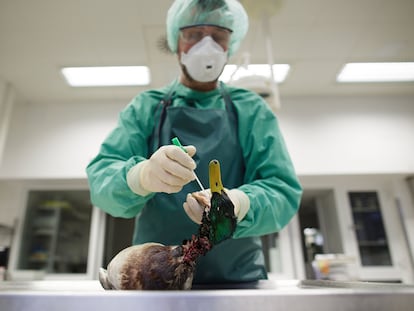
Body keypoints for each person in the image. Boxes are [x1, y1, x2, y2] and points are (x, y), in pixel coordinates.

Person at [86, 0, 302, 285]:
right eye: (194, 34)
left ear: (230, 44)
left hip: (237, 282)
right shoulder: (147, 107)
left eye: (218, 36)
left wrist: (239, 204)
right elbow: (102, 181)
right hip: (152, 282)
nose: (207, 46)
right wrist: (141, 177)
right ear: (177, 41)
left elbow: (282, 191)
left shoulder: (251, 109)